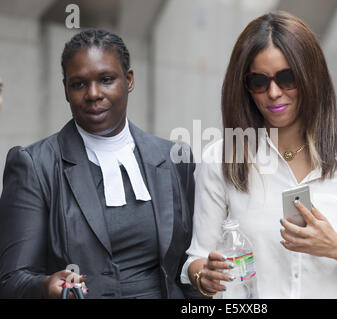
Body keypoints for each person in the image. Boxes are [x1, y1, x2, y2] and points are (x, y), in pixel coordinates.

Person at [181, 11, 337, 298]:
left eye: (287, 77)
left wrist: (335, 246)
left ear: (311, 77)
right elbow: (196, 259)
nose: (273, 92)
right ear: (245, 87)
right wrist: (205, 275)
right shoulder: (221, 159)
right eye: (259, 82)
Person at [0, 29, 198, 299]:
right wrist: (46, 287)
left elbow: (189, 266)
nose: (93, 94)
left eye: (106, 80)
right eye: (79, 84)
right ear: (66, 89)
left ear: (128, 80)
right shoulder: (35, 166)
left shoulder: (176, 158)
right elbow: (12, 280)